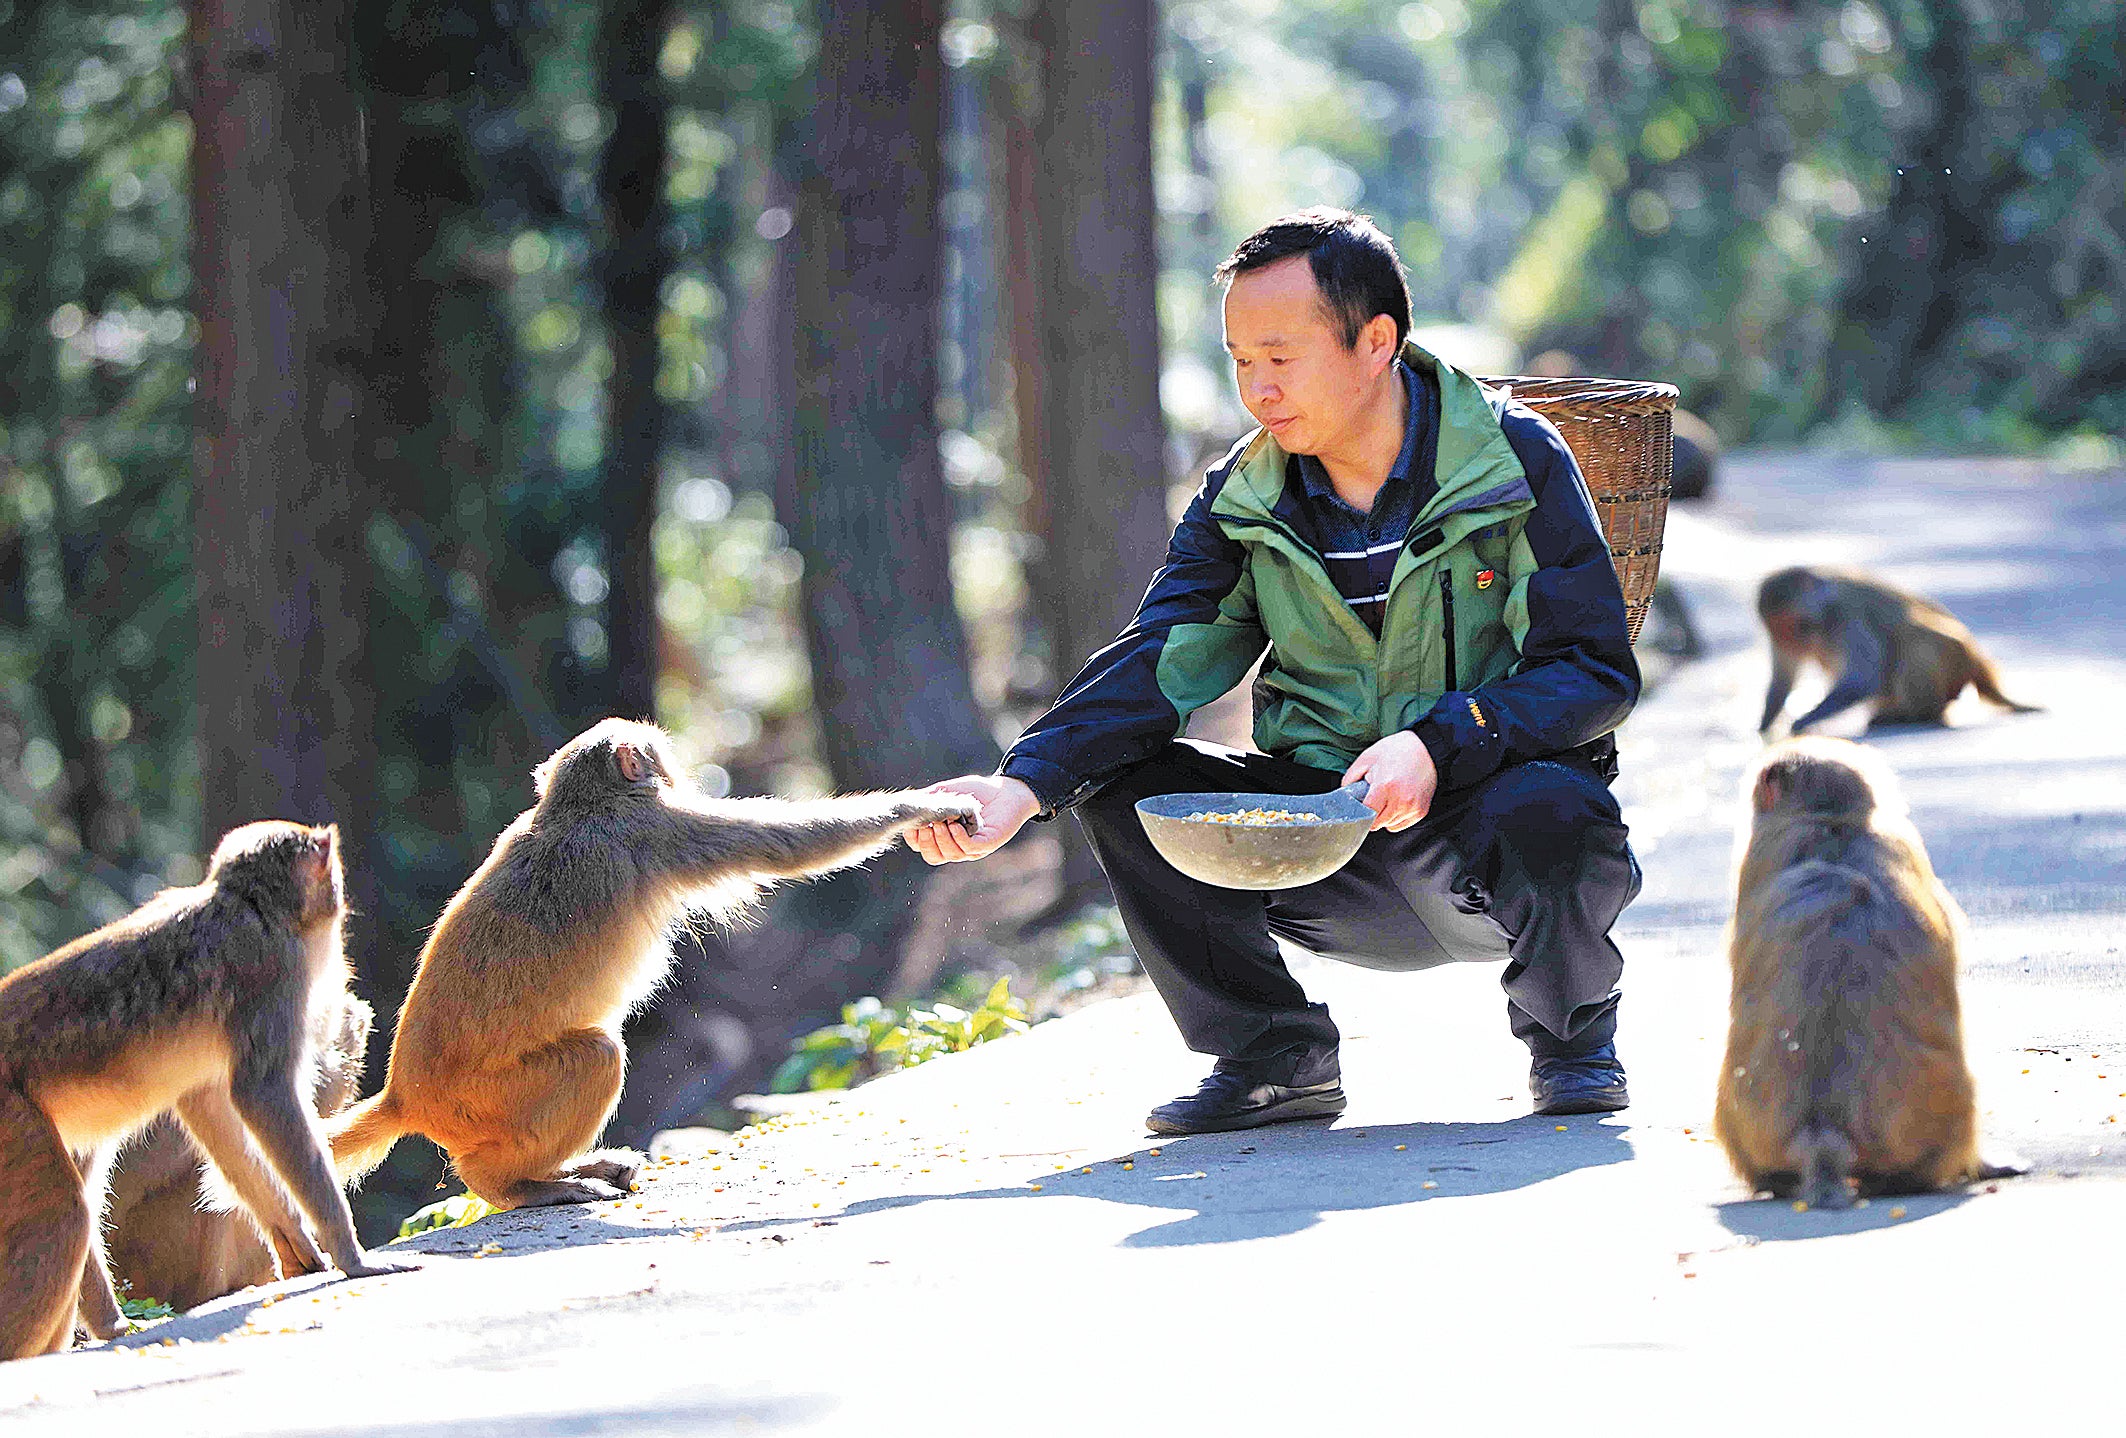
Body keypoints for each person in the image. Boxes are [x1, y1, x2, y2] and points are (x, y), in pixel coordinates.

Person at [908, 208, 1642, 1136]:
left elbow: (1591, 670)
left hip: (1488, 835)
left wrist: (1441, 740)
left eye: (1282, 358)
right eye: (1240, 358)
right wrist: (1023, 784)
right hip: (1319, 839)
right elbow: (1161, 658)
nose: (1258, 388)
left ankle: (1573, 1042)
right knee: (1126, 786)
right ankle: (1272, 1059)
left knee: (1558, 806)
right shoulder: (1244, 495)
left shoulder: (1514, 460)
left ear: (1376, 342)